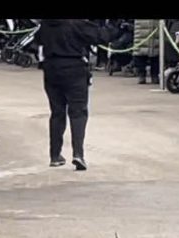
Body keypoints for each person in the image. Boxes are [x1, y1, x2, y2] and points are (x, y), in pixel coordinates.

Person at [36, 19, 122, 171]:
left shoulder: (46, 23)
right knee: (78, 112)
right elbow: (101, 36)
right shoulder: (76, 23)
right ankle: (78, 154)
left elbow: (36, 42)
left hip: (51, 68)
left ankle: (55, 155)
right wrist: (115, 25)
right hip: (74, 67)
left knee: (57, 112)